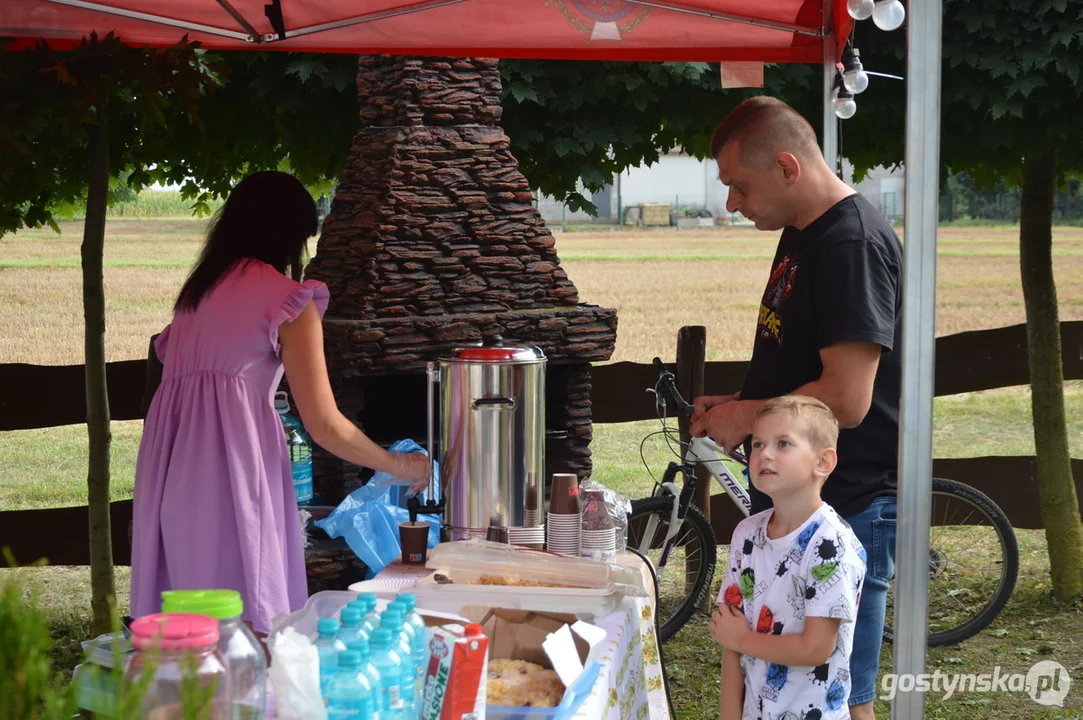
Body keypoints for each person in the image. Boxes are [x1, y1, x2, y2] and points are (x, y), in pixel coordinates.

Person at [130, 171, 429, 634]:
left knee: (191, 638)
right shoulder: (289, 302)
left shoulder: (194, 301)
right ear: (291, 236)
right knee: (249, 632)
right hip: (234, 481)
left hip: (170, 484)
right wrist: (399, 464)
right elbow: (325, 425)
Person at [690, 96, 902, 719]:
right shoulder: (805, 234)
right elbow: (803, 366)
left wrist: (749, 419)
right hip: (799, 504)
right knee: (774, 673)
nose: (732, 203)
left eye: (738, 186)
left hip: (847, 504)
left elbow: (847, 398)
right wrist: (739, 402)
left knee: (844, 697)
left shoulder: (850, 244)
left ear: (787, 167)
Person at [709, 396, 866, 720]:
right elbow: (730, 634)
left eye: (783, 444)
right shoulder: (746, 534)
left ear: (823, 462)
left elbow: (815, 648)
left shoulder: (830, 544)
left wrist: (743, 639)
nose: (764, 453)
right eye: (757, 443)